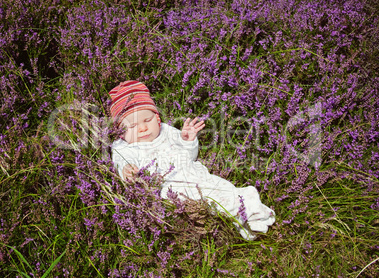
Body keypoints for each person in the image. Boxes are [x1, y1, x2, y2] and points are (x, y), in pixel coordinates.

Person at [109, 80, 275, 240]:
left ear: (157, 118)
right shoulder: (123, 147)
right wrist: (126, 169)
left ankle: (247, 206)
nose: (143, 128)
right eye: (132, 126)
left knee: (221, 189)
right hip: (171, 188)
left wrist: (187, 141)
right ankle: (248, 211)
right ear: (120, 132)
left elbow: (190, 156)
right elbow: (121, 162)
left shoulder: (165, 131)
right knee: (212, 203)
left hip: (193, 173)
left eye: (148, 120)